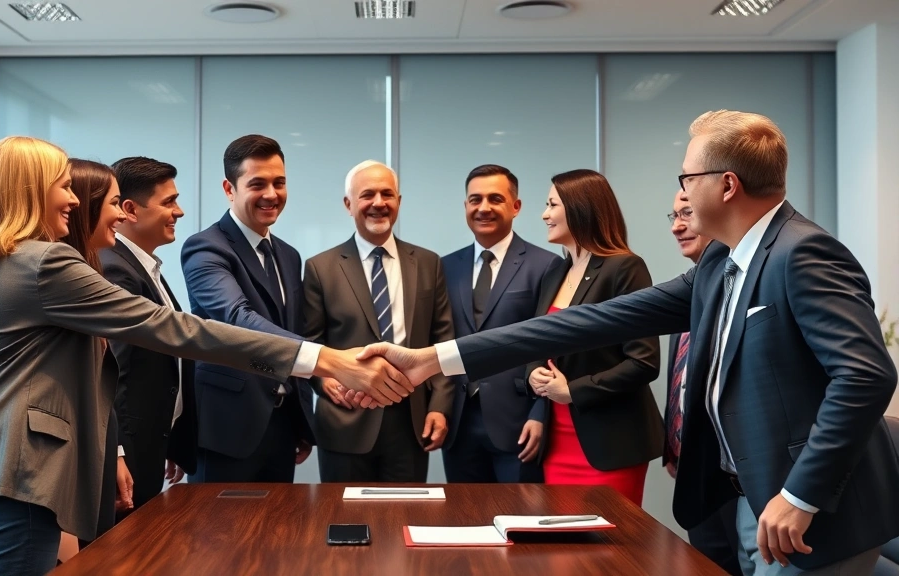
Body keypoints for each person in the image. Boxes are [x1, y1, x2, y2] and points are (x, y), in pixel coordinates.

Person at [360, 110, 899, 576]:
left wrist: (800, 494)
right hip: (750, 498)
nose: (682, 193)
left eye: (687, 178)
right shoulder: (721, 260)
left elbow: (865, 375)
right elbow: (592, 323)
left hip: (811, 510)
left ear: (727, 185)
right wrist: (436, 358)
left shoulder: (803, 253)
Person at [0, 136, 413, 576]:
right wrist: (324, 360)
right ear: (29, 190)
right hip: (13, 476)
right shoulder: (46, 263)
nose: (75, 199)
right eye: (63, 186)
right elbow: (174, 330)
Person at [302, 160, 455, 483]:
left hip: (410, 421)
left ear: (399, 201)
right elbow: (308, 343)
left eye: (387, 194)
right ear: (348, 204)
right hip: (345, 416)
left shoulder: (428, 263)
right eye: (367, 195)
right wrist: (323, 380)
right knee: (343, 522)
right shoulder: (321, 267)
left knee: (404, 521)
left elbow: (443, 341)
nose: (378, 203)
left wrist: (440, 406)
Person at [181, 135, 316, 483]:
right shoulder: (205, 248)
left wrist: (301, 417)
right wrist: (325, 360)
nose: (271, 194)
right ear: (230, 188)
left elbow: (290, 327)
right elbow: (237, 318)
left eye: (279, 183)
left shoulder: (288, 255)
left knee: (279, 534)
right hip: (228, 430)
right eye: (257, 184)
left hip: (283, 426)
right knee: (220, 535)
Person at [525, 169, 663, 506]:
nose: (544, 214)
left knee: (609, 551)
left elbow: (644, 362)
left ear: (580, 208)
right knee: (562, 553)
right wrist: (533, 371)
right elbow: (537, 341)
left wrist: (572, 391)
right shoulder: (554, 271)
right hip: (556, 442)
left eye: (552, 204)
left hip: (610, 446)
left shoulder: (625, 268)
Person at [440, 164, 558, 483]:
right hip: (458, 421)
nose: (484, 208)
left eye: (495, 199)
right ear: (465, 206)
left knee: (518, 524)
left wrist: (540, 414)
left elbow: (552, 346)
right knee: (464, 523)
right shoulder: (445, 267)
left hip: (519, 422)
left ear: (515, 206)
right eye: (475, 199)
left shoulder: (545, 266)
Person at [99, 156, 197, 513]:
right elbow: (113, 376)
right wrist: (118, 453)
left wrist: (173, 440)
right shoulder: (115, 270)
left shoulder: (145, 266)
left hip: (153, 442)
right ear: (130, 209)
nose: (180, 211)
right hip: (130, 451)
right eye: (169, 202)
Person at [666, 189, 741, 575]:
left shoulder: (745, 282)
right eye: (673, 215)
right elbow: (682, 381)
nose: (678, 225)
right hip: (694, 469)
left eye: (688, 213)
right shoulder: (695, 290)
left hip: (735, 473)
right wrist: (674, 443)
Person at [58, 158, 129, 555]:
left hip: (96, 455)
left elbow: (97, 380)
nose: (122, 214)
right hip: (63, 474)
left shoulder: (90, 268)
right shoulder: (55, 270)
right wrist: (315, 359)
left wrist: (114, 452)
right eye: (115, 203)